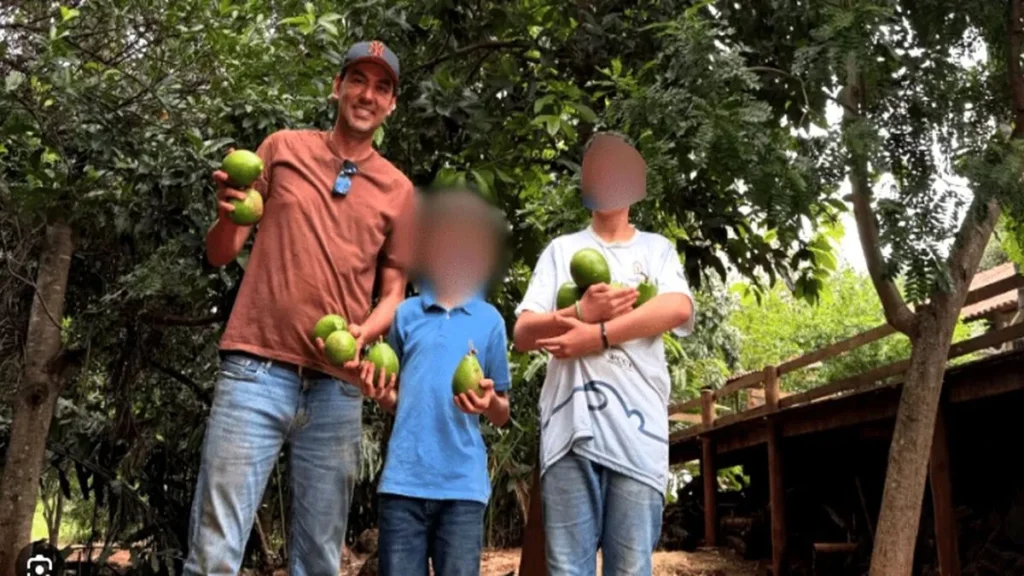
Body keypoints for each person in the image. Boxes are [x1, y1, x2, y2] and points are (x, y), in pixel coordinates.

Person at [184, 40, 415, 576]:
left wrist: (364, 334)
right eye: (358, 80)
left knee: (318, 559)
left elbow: (393, 295)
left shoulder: (399, 190)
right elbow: (220, 253)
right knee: (214, 553)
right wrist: (227, 213)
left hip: (337, 386)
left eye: (381, 87)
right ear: (337, 88)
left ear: (391, 104)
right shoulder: (281, 148)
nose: (368, 94)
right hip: (254, 370)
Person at [512, 131, 696, 576]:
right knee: (566, 569)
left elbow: (678, 306)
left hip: (638, 433)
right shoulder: (561, 251)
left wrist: (598, 335)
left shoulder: (656, 250)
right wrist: (579, 311)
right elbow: (523, 333)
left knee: (631, 568)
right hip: (569, 431)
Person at [359, 186, 512, 576]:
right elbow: (399, 397)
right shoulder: (405, 315)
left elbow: (501, 413)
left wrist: (489, 403)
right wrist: (382, 395)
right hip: (403, 483)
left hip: (462, 487)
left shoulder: (490, 321)